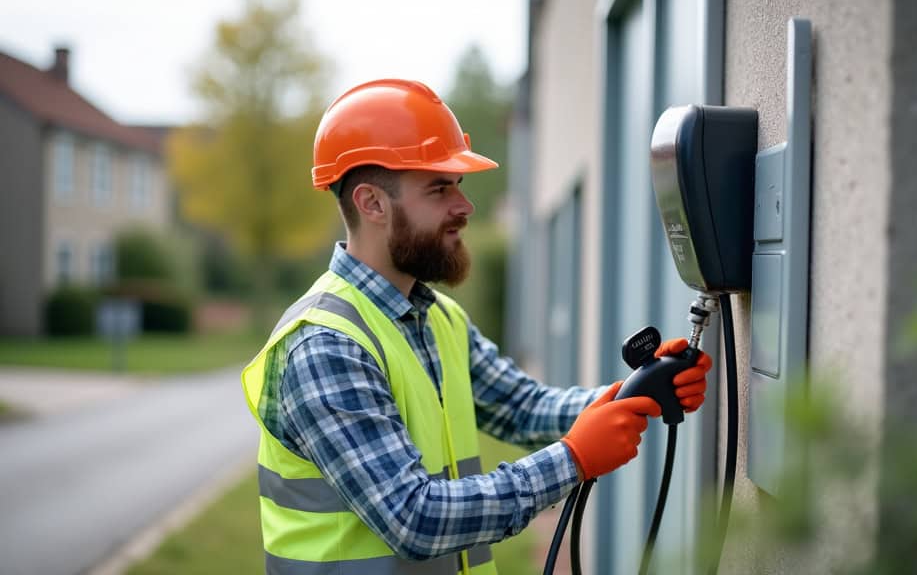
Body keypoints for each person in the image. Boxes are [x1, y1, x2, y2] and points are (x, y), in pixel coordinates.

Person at [241, 78, 713, 575]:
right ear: (372, 204)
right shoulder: (326, 345)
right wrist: (572, 459)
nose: (464, 207)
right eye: (439, 188)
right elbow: (413, 518)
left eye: (458, 187)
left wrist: (635, 392)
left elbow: (520, 407)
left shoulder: (436, 317)